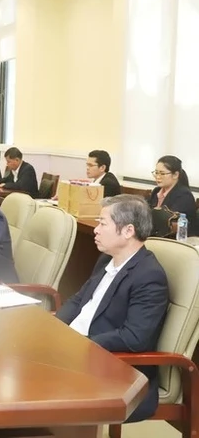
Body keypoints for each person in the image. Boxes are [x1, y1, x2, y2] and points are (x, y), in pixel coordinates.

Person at [56, 194, 168, 423]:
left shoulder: (149, 276)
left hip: (112, 369)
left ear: (128, 231)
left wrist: (80, 345)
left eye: (102, 223)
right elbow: (78, 301)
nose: (96, 230)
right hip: (75, 352)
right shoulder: (106, 259)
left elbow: (134, 337)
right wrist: (54, 329)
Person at [148, 155, 197, 236]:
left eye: (162, 173)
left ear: (175, 175)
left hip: (178, 239)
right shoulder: (156, 191)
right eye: (156, 173)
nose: (158, 177)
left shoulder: (184, 195)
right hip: (157, 235)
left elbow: (167, 220)